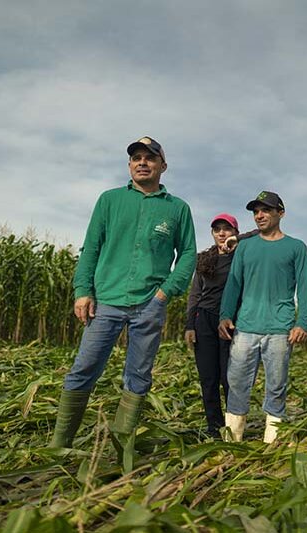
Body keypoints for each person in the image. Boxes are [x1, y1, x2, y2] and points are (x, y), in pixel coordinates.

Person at [51, 136, 196, 470]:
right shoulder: (110, 200)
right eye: (136, 158)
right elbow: (92, 247)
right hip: (107, 303)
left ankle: (120, 452)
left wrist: (164, 294)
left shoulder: (177, 209)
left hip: (149, 305)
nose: (142, 162)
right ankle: (58, 450)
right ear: (130, 165)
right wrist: (82, 290)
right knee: (82, 371)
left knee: (138, 377)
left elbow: (187, 254)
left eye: (150, 157)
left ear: (162, 165)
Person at [218, 191, 307, 444]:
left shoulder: (296, 248)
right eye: (256, 211)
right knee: (236, 382)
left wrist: (302, 322)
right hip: (246, 326)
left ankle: (271, 442)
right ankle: (233, 439)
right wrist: (225, 314)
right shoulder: (246, 246)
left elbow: (304, 287)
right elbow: (234, 285)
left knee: (276, 385)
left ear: (280, 213)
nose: (259, 215)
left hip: (279, 329)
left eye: (266, 210)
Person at [184, 214, 257, 438]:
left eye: (227, 229)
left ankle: (232, 426)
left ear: (234, 231)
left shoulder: (242, 255)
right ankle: (213, 427)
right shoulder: (204, 258)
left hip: (231, 322)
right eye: (217, 229)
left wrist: (237, 239)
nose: (221, 233)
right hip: (204, 320)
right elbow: (195, 294)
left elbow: (260, 232)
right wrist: (190, 325)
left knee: (230, 377)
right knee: (208, 378)